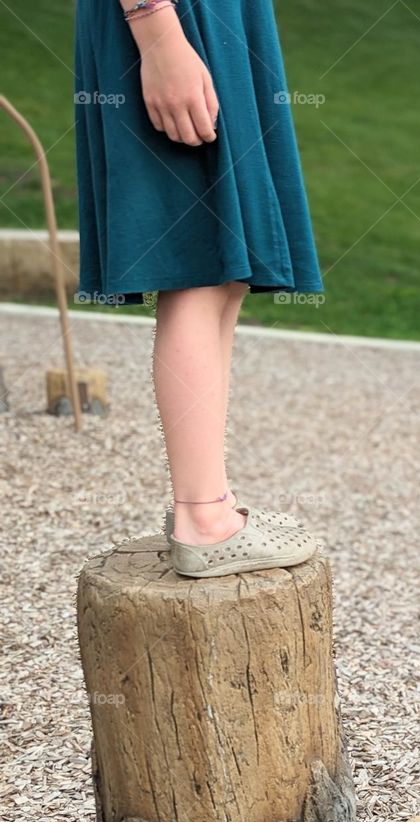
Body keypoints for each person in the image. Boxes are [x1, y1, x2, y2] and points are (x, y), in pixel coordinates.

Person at [74, 0, 320, 576]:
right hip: (175, 18)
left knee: (223, 274)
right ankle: (204, 520)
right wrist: (157, 32)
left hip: (207, 20)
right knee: (198, 269)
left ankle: (211, 502)